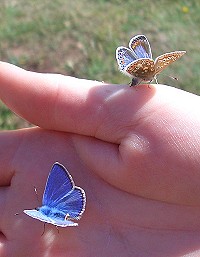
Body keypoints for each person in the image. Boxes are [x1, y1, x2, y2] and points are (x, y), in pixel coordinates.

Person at [0, 61, 200, 257]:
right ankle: (68, 218)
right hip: (70, 207)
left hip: (62, 215)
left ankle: (66, 220)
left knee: (51, 216)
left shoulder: (40, 205)